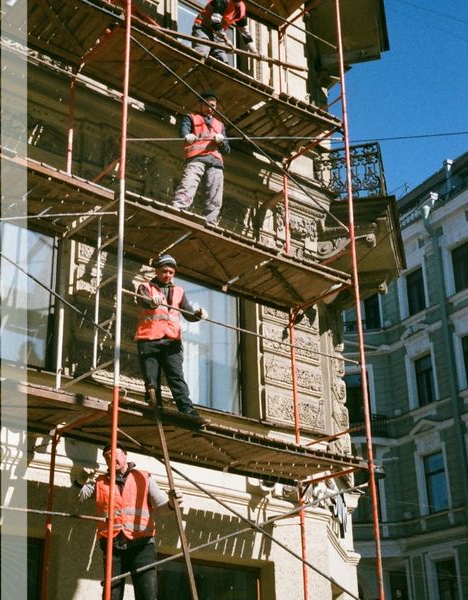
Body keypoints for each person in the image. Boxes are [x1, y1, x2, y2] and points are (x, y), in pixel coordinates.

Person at [75, 443, 182, 600]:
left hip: (142, 546)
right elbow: (80, 496)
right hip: (113, 546)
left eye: (115, 454)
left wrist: (173, 503)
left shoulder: (143, 478)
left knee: (147, 595)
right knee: (112, 596)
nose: (111, 459)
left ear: (125, 455)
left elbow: (161, 507)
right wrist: (80, 480)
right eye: (107, 457)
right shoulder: (100, 482)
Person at [135, 254, 207, 418]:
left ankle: (187, 408)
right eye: (164, 271)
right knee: (151, 378)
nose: (167, 275)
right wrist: (151, 301)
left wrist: (197, 314)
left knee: (176, 376)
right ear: (157, 271)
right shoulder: (145, 287)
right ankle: (155, 404)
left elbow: (188, 312)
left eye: (171, 272)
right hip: (149, 339)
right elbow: (143, 300)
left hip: (171, 341)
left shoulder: (179, 291)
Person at [172, 90, 230, 226]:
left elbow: (227, 149)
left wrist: (221, 142)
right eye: (207, 105)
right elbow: (183, 131)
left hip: (215, 161)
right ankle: (178, 208)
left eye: (213, 106)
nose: (210, 109)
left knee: (215, 194)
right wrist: (187, 136)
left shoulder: (219, 125)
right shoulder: (191, 117)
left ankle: (210, 221)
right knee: (189, 184)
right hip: (197, 158)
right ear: (200, 104)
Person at [191, 0, 258, 63]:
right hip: (204, 28)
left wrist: (254, 52)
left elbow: (245, 32)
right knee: (201, 56)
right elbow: (215, 22)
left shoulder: (241, 8)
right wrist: (226, 40)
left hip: (218, 36)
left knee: (223, 63)